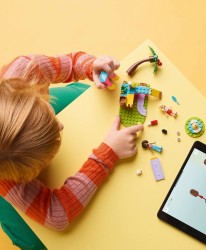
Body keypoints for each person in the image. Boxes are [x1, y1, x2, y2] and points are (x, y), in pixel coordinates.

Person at [0, 51, 144, 231]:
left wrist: (91, 66)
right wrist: (107, 155)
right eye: (54, 134)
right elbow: (57, 216)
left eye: (51, 117)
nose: (61, 126)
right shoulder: (7, 179)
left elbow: (71, 62)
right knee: (27, 234)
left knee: (82, 94)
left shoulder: (26, 68)